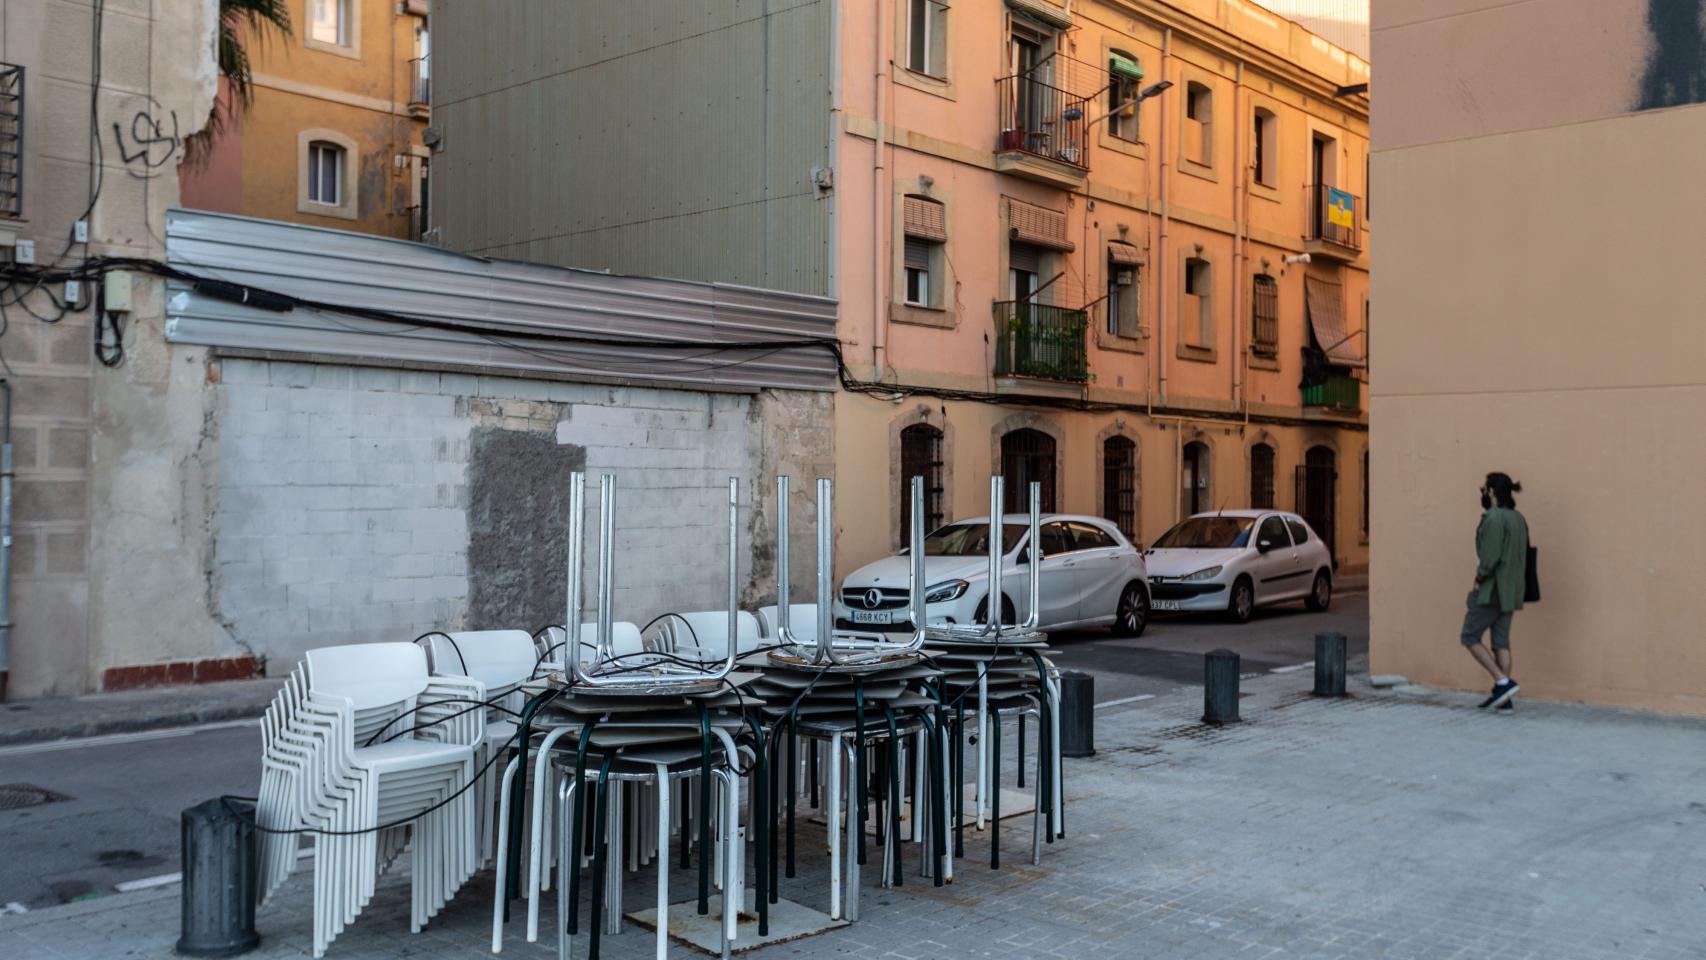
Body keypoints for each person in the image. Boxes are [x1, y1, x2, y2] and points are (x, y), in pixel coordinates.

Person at [1461, 472, 1529, 711]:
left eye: (1484, 489)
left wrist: (1479, 578)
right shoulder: (1518, 519)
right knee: (1501, 641)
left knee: (1469, 636)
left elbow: (1489, 558)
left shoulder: (1494, 518)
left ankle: (1502, 682)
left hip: (1492, 590)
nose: (1482, 492)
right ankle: (1504, 698)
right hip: (1512, 590)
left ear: (1491, 492)